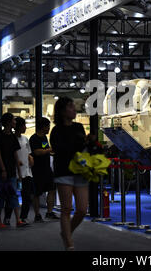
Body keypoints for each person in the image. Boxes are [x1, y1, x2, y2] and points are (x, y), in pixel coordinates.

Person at [50, 97, 88, 250]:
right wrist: (78, 146)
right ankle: (69, 244)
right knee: (66, 208)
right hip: (63, 170)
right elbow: (60, 150)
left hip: (80, 170)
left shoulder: (79, 127)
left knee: (82, 209)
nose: (74, 109)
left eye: (74, 106)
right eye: (70, 107)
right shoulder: (56, 131)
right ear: (62, 111)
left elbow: (82, 147)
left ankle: (66, 233)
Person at [0, 113, 28, 228]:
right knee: (2, 196)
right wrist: (3, 169)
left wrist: (19, 171)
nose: (15, 122)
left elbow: (15, 154)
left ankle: (18, 220)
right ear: (8, 122)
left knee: (13, 195)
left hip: (11, 170)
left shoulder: (12, 137)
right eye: (13, 120)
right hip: (0, 171)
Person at [3, 117, 34, 225]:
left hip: (26, 172)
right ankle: (7, 217)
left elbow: (28, 152)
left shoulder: (25, 139)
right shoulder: (11, 139)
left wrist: (30, 158)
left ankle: (23, 217)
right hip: (14, 173)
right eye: (23, 125)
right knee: (11, 196)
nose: (25, 127)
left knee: (27, 196)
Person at [30, 117, 59, 222]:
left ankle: (49, 212)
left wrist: (51, 152)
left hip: (47, 169)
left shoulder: (44, 138)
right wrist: (49, 150)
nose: (48, 129)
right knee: (37, 193)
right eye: (47, 126)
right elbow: (37, 152)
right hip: (37, 170)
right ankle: (37, 215)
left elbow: (44, 150)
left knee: (52, 190)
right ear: (42, 127)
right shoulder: (34, 138)